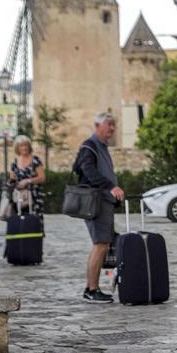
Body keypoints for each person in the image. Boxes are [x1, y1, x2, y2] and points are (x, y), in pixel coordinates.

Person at [75, 112, 124, 303]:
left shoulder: (100, 146)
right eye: (109, 125)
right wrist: (111, 187)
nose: (112, 128)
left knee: (102, 244)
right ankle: (91, 289)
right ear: (97, 126)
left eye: (114, 125)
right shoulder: (90, 146)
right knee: (100, 245)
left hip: (104, 202)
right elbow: (88, 171)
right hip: (96, 202)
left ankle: (92, 287)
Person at [9, 134, 46, 218]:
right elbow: (12, 179)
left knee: (34, 222)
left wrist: (27, 181)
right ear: (17, 148)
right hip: (19, 198)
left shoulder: (35, 160)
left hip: (34, 197)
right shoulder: (14, 162)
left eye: (26, 145)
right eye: (21, 145)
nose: (24, 148)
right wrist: (12, 182)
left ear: (29, 146)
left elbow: (42, 178)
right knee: (20, 221)